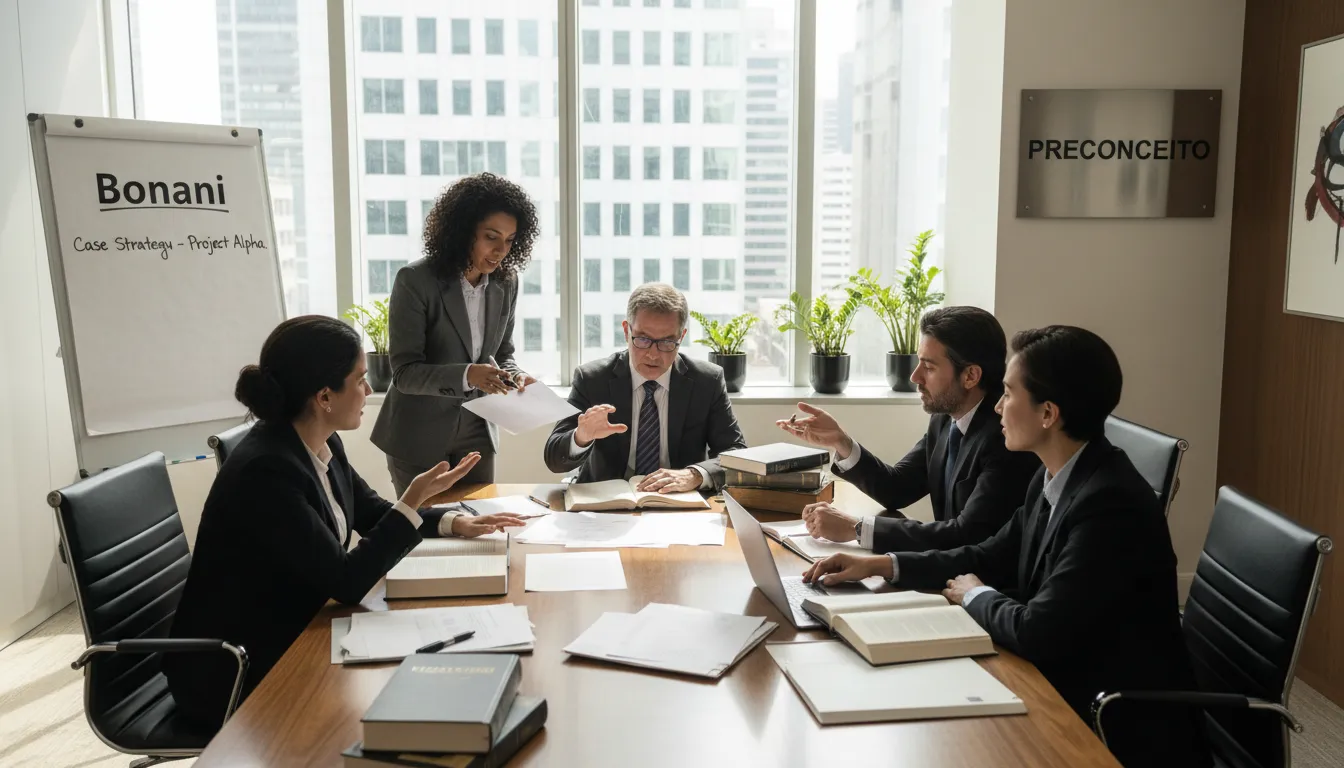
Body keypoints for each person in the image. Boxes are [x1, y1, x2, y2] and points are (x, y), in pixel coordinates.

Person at [802, 326, 1207, 768]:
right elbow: (987, 554)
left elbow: (1037, 632)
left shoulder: (1108, 505)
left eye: (1009, 394)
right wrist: (881, 566)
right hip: (1063, 679)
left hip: (1114, 723)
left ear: (1048, 413)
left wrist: (974, 594)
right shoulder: (1054, 475)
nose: (997, 405)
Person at [166, 316, 524, 729]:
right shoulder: (266, 470)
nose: (368, 391)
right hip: (235, 668)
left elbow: (372, 513)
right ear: (324, 397)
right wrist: (412, 500)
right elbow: (347, 582)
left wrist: (451, 522)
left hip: (297, 628)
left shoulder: (318, 441)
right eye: (360, 380)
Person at [778, 306, 1038, 553]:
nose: (915, 377)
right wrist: (841, 441)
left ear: (970, 376)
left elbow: (966, 535)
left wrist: (856, 529)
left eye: (929, 367)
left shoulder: (1006, 437)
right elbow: (898, 488)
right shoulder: (945, 418)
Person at [372, 173, 541, 495]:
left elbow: (502, 354)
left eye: (510, 240)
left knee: (481, 520)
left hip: (478, 432)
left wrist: (516, 377)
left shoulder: (506, 282)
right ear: (463, 231)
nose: (501, 250)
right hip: (418, 434)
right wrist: (468, 375)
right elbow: (405, 373)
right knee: (427, 524)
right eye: (491, 237)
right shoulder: (415, 280)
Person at [544, 283, 747, 491]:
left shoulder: (707, 381)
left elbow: (737, 452)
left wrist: (694, 474)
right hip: (605, 502)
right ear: (626, 331)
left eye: (667, 342)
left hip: (678, 500)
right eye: (643, 339)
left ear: (681, 337)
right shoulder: (593, 379)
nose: (653, 354)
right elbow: (554, 458)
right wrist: (581, 437)